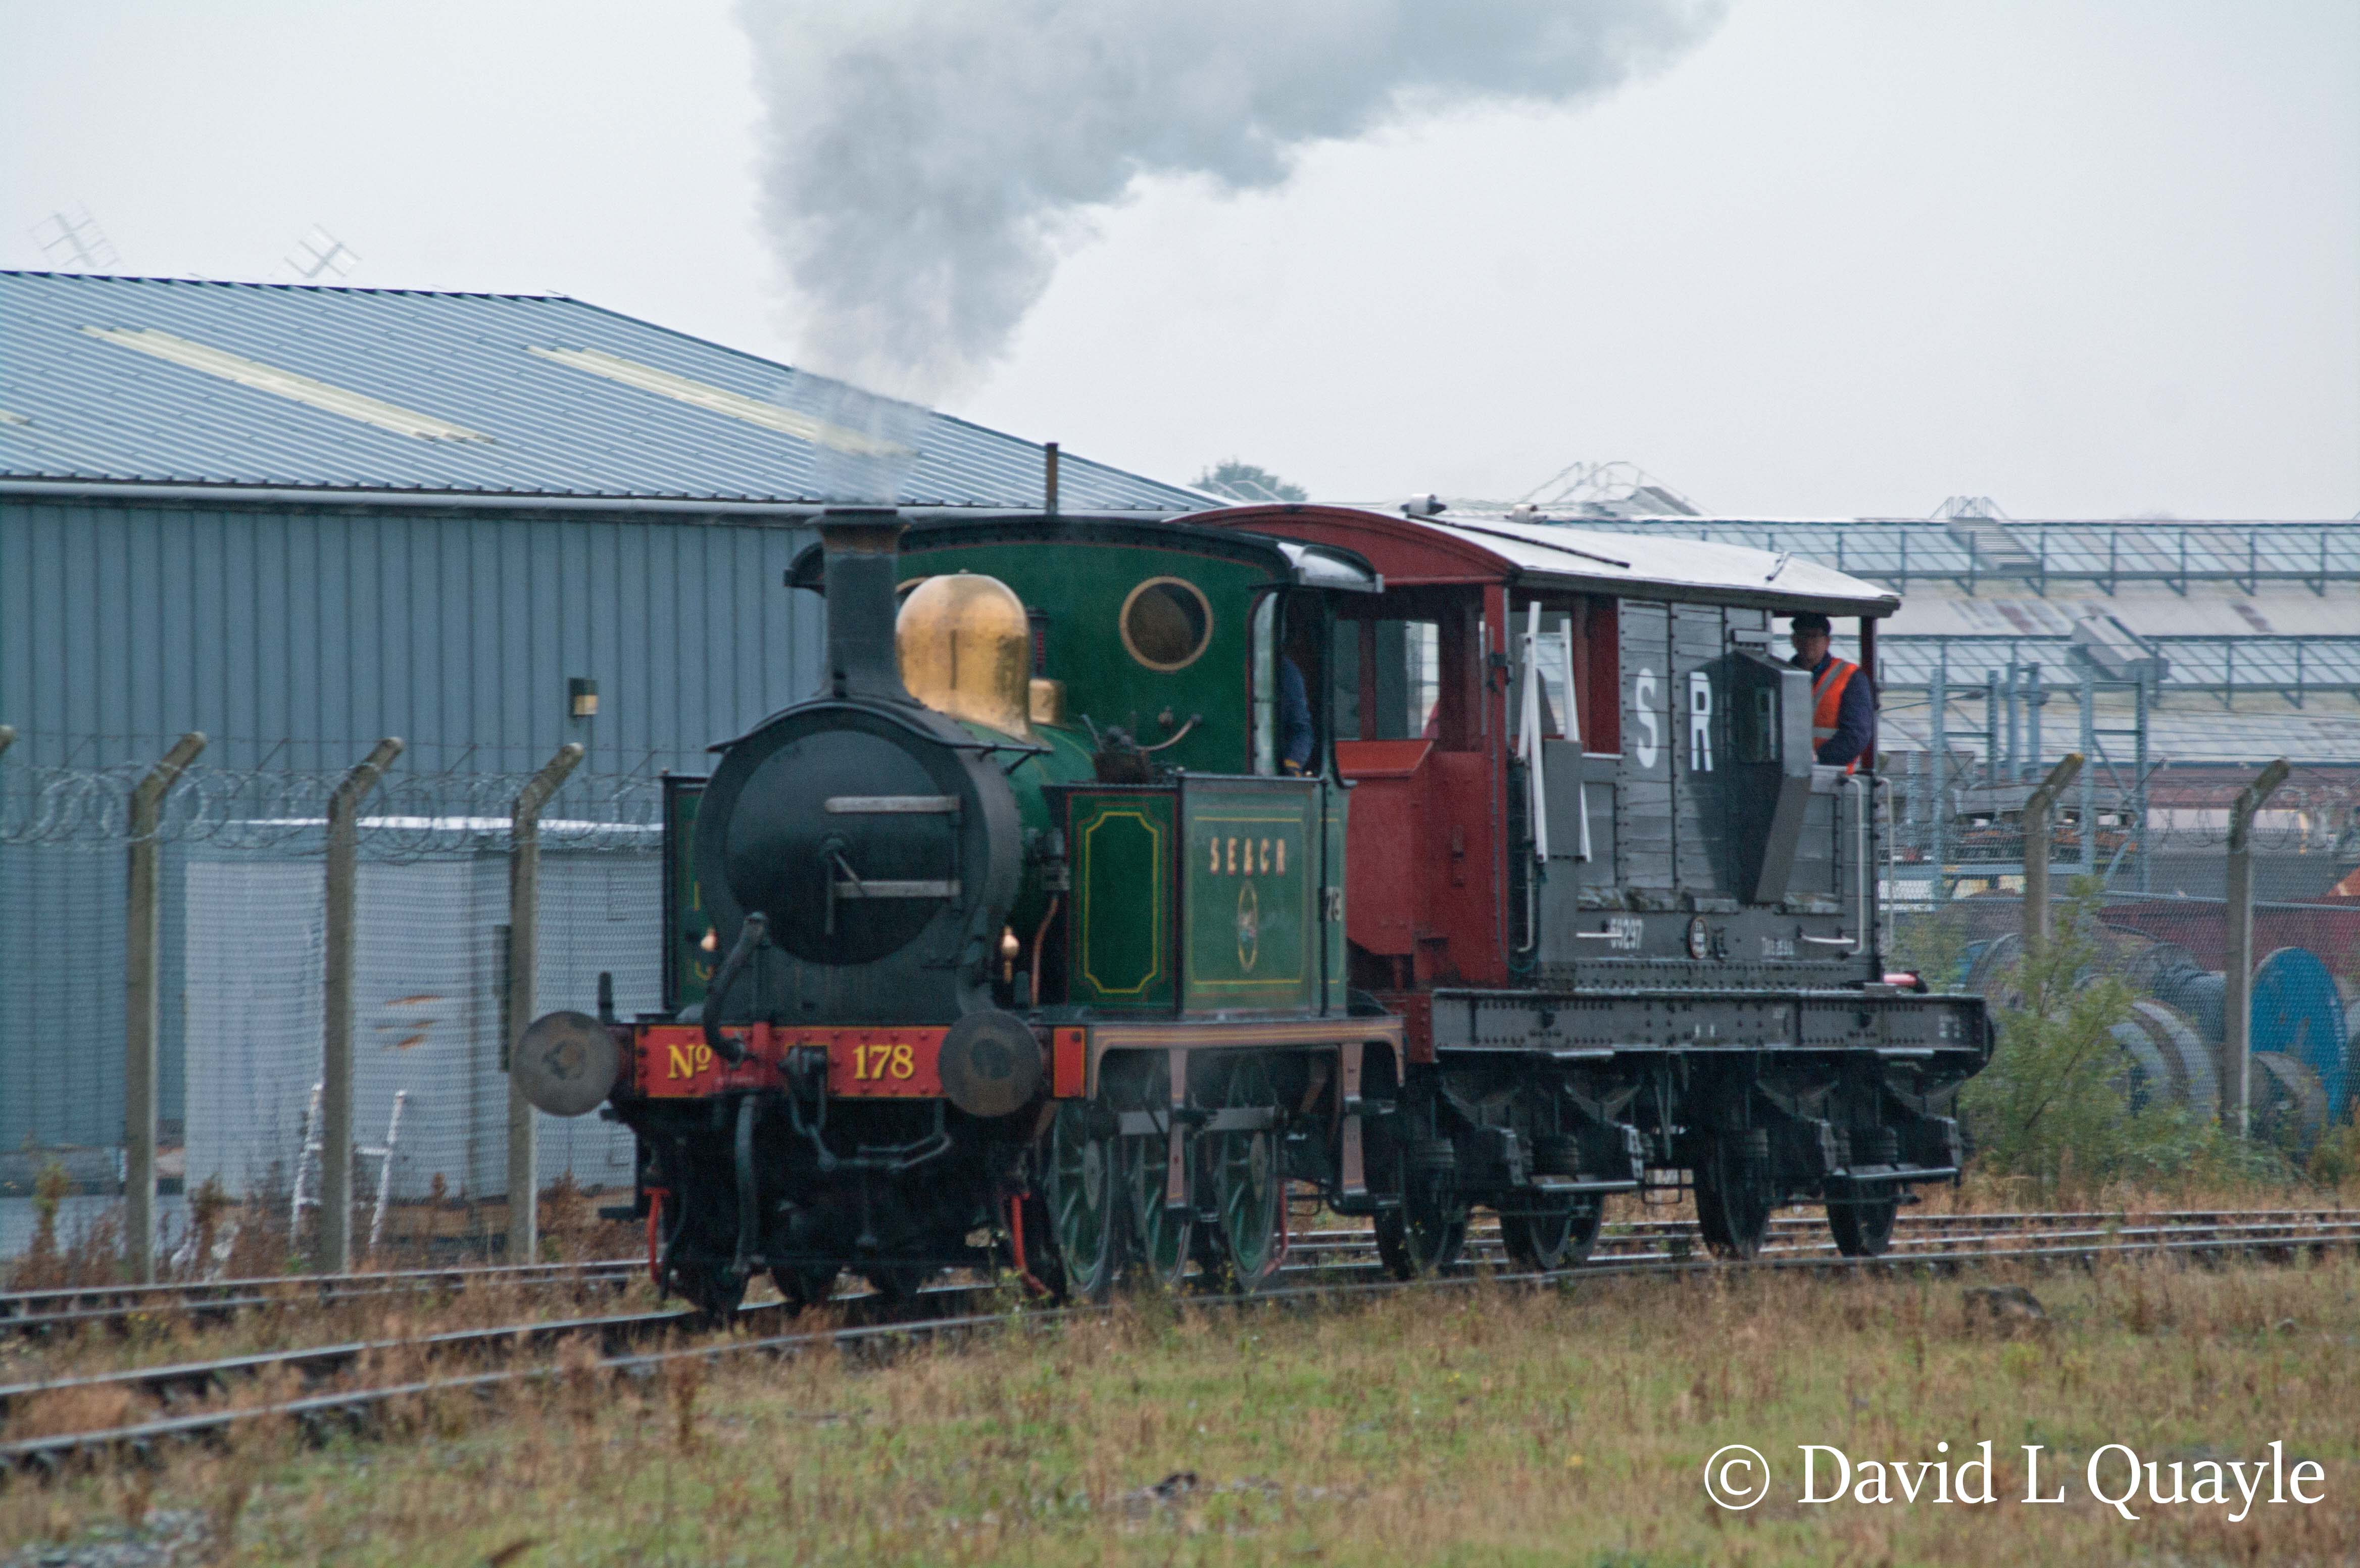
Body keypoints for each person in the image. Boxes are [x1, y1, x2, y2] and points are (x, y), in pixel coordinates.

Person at [1788, 612, 1874, 770]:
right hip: (1788, 772)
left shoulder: (1850, 677)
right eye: (1803, 635)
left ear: (1827, 641)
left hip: (1833, 780)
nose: (1808, 642)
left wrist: (1819, 759)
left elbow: (1856, 735)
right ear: (1793, 640)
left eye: (1815, 636)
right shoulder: (1781, 675)